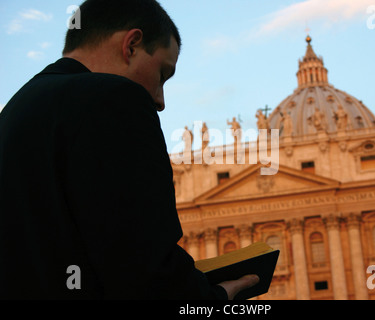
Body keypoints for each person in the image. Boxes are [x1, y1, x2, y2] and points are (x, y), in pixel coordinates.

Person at [0, 0, 258, 300]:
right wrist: (211, 299)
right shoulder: (115, 99)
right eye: (162, 74)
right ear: (131, 45)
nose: (161, 101)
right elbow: (142, 260)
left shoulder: (16, 110)